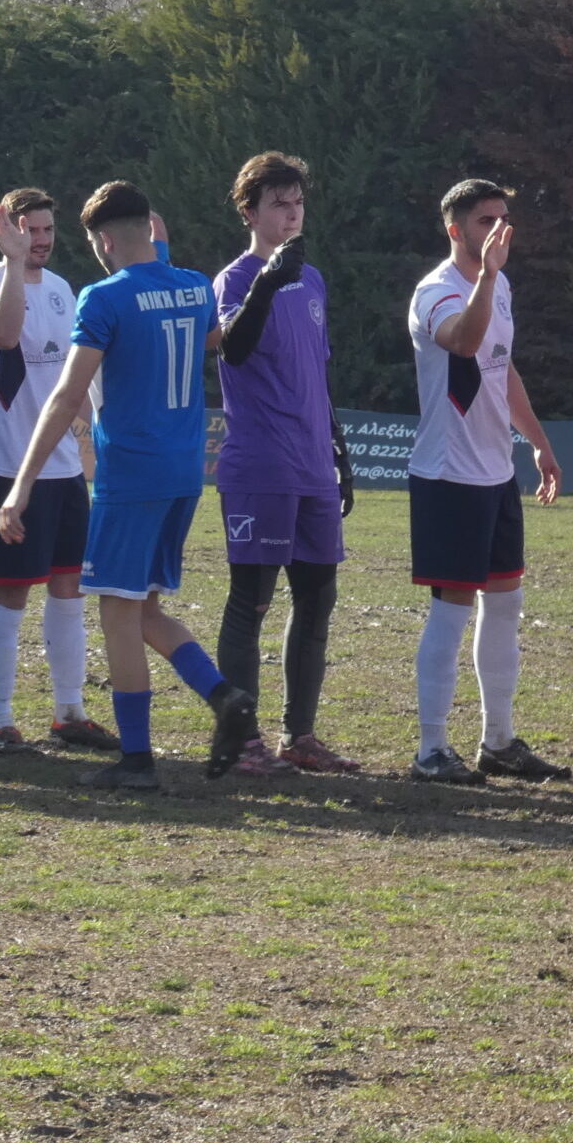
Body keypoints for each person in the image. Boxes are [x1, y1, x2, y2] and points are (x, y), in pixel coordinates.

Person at [0, 181, 259, 790]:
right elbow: (206, 328)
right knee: (143, 608)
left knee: (116, 611)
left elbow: (66, 396)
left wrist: (21, 484)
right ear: (153, 227)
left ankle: (137, 759)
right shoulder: (194, 286)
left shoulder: (103, 297)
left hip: (130, 473)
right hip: (185, 469)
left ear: (104, 241)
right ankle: (223, 696)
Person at [404, 179, 570, 785]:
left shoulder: (499, 287)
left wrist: (540, 444)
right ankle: (430, 750)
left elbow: (501, 370)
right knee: (450, 613)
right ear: (455, 230)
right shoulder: (437, 292)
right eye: (483, 220)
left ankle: (497, 742)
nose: (498, 229)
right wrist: (488, 278)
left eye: (503, 217)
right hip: (449, 476)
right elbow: (465, 343)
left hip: (496, 474)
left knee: (505, 606)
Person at [212, 152, 357, 774]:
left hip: (311, 466)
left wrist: (339, 451)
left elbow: (315, 375)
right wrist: (268, 280)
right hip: (261, 465)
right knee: (252, 601)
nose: (291, 212)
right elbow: (234, 352)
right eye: (277, 202)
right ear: (249, 211)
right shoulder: (235, 279)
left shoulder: (315, 279)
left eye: (296, 201)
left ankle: (301, 737)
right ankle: (242, 742)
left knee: (317, 599)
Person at [0, 187, 111, 755]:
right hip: (4, 469)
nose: (40, 241)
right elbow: (4, 335)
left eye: (47, 231)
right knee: (10, 592)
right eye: (29, 231)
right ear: (6, 233)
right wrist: (12, 263)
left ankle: (69, 711)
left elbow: (82, 374)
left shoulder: (66, 289)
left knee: (69, 588)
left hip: (64, 469)